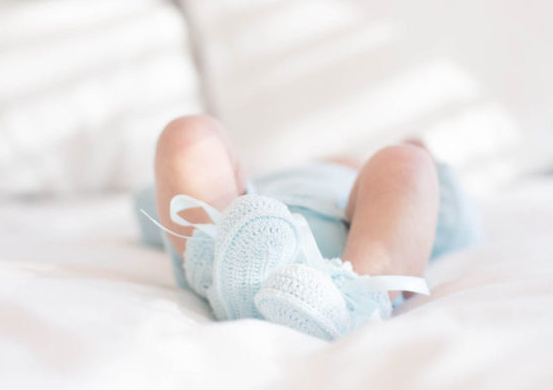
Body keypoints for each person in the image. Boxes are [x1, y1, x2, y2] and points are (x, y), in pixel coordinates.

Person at [136, 114, 480, 340]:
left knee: (406, 163)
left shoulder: (367, 181)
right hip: (239, 226)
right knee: (189, 136)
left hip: (355, 242)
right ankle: (224, 278)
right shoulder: (253, 178)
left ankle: (347, 306)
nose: (333, 159)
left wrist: (427, 159)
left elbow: (440, 221)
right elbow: (160, 201)